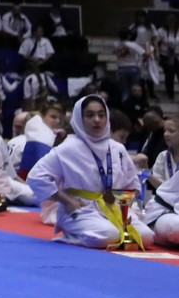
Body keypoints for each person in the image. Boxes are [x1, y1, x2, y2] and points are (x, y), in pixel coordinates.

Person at [27, 95, 154, 249]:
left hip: (113, 209)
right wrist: (67, 201)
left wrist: (124, 206)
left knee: (146, 236)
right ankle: (70, 236)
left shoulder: (117, 148)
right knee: (108, 235)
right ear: (80, 119)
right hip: (80, 210)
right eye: (90, 115)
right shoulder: (69, 148)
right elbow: (36, 177)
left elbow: (131, 182)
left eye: (101, 115)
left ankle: (112, 230)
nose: (97, 120)